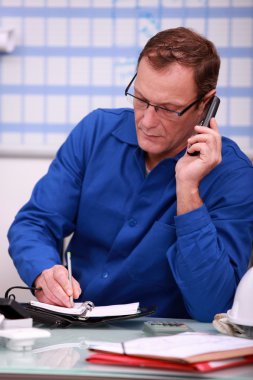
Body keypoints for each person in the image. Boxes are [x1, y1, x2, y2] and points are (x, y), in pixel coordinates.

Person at [8, 27, 253, 322]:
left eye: (167, 109)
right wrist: (43, 271)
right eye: (140, 98)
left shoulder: (234, 175)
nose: (147, 121)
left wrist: (188, 190)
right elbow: (34, 223)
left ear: (204, 104)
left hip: (165, 348)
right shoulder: (96, 132)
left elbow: (211, 305)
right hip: (74, 332)